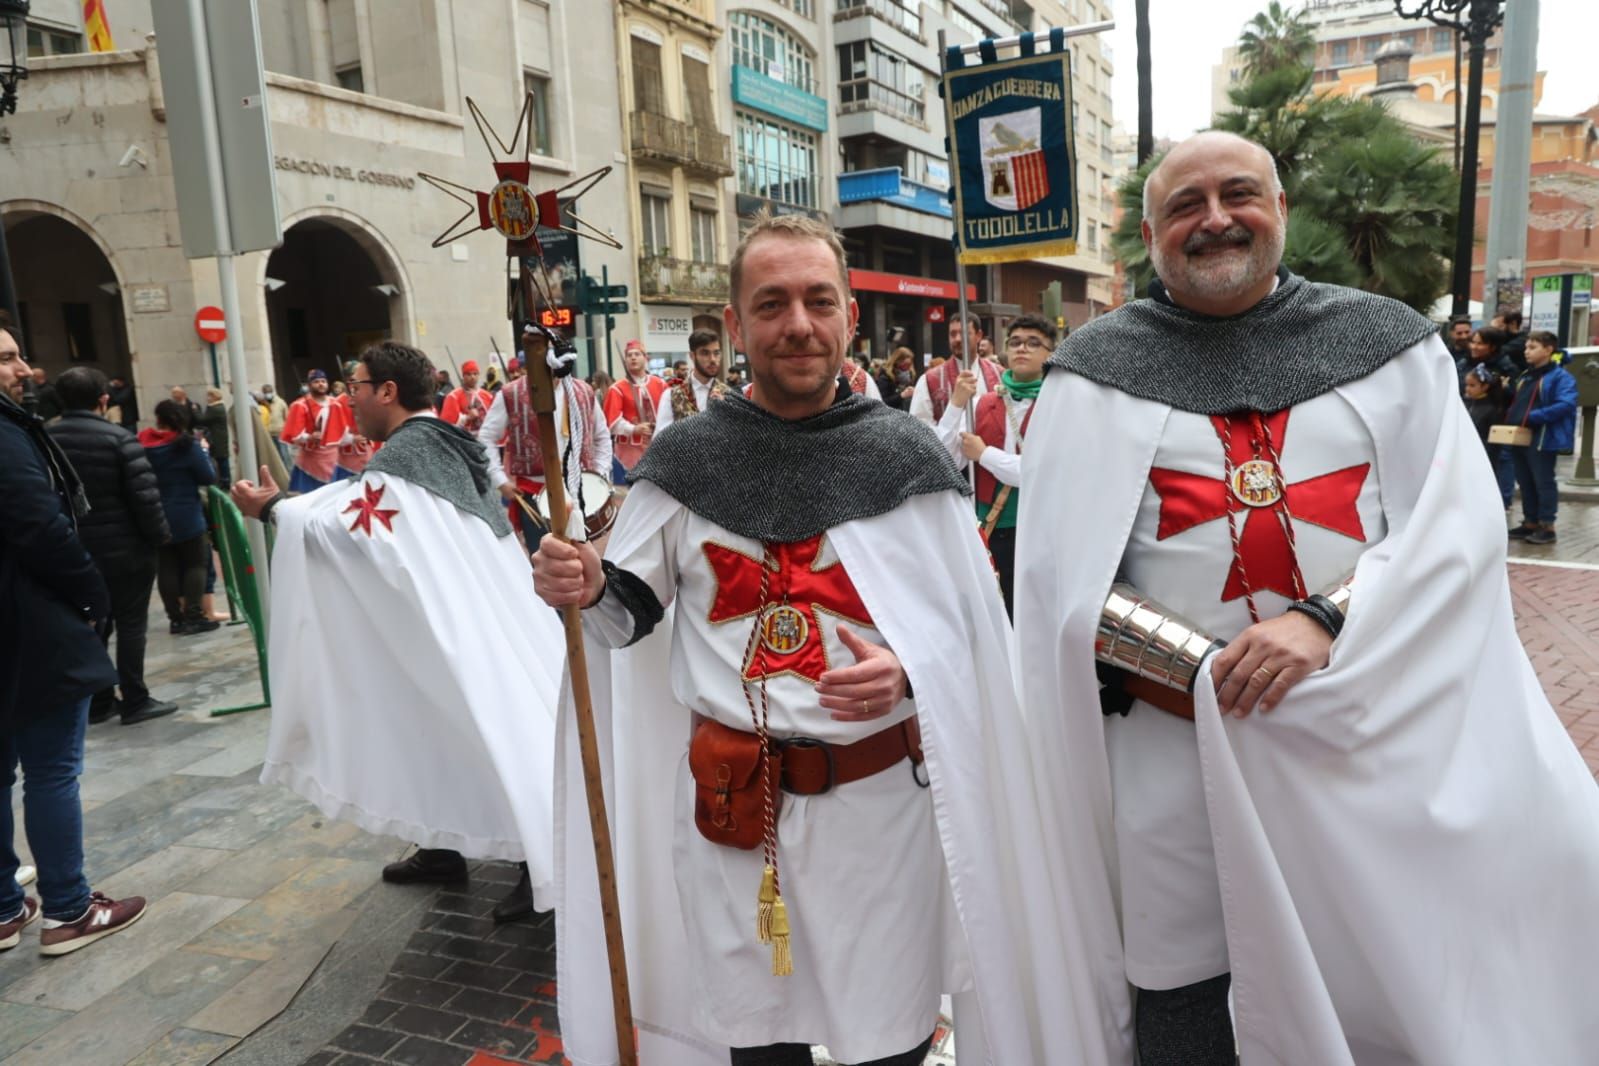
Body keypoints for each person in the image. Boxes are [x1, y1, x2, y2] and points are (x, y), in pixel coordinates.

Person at [1016, 130, 1599, 1064]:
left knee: (1375, 971)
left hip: (1362, 746)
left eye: (1238, 194)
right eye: (1184, 206)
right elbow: (1056, 584)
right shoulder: (1092, 375)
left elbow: (1455, 528)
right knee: (1190, 993)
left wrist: (1325, 619)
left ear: (1279, 209)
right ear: (1148, 231)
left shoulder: (1387, 346)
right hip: (1174, 757)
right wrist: (1205, 673)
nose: (1214, 220)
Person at [535, 211, 1095, 1065]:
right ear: (735, 326)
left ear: (848, 318)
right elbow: (625, 618)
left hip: (879, 821)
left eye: (817, 301)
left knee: (888, 1042)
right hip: (733, 816)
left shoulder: (905, 459)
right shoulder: (684, 462)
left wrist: (908, 674)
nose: (797, 324)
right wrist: (584, 586)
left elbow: (974, 640)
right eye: (771, 304)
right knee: (758, 1046)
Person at [231, 340, 563, 926]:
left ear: (387, 391)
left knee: (494, 727)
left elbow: (358, 531)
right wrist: (288, 503)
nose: (348, 397)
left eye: (356, 385)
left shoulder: (408, 455)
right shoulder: (442, 441)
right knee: (432, 728)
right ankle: (443, 844)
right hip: (465, 611)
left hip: (462, 624)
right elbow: (358, 506)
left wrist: (273, 511)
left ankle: (540, 864)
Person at [0, 317, 148, 955]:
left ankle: (6, 907)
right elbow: (40, 526)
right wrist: (91, 593)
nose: (22, 369)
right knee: (52, 770)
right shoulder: (5, 435)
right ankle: (69, 909)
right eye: (5, 357)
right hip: (29, 622)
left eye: (17, 355)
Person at [47, 367, 177, 726]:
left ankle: (100, 699)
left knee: (94, 624)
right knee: (131, 623)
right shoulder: (119, 438)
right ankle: (135, 698)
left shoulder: (44, 439)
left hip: (74, 551)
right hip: (126, 550)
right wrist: (161, 537)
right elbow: (145, 498)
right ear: (104, 399)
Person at [937, 314, 1055, 616]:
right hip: (987, 529)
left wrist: (984, 454)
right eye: (1015, 342)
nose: (1022, 349)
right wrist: (956, 404)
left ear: (1050, 353)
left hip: (1039, 531)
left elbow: (1037, 472)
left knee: (1029, 617)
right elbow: (945, 459)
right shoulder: (984, 402)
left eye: (1033, 343)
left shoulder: (1060, 404)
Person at [478, 326, 613, 546]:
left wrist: (598, 473)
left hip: (580, 489)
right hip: (533, 492)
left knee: (581, 563)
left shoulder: (584, 392)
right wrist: (499, 479)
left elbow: (602, 436)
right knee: (545, 565)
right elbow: (486, 438)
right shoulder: (511, 393)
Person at [141, 400, 220, 636]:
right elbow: (207, 476)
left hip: (155, 513)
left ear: (158, 418)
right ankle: (193, 615)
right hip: (187, 514)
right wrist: (204, 452)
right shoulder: (187, 445)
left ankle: (175, 619)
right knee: (196, 564)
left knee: (166, 567)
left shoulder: (141, 443)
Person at [1506, 330, 1579, 545]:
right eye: (1526, 347)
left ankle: (1547, 525)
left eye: (1532, 347)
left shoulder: (1561, 377)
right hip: (1522, 434)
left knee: (1543, 481)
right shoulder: (1526, 375)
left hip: (1543, 436)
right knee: (1525, 481)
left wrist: (1533, 416)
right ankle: (1530, 521)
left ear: (1548, 350)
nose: (1526, 352)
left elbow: (1566, 404)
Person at [1459, 327, 1518, 506]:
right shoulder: (1463, 363)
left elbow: (1513, 393)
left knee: (1500, 461)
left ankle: (1501, 502)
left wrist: (1503, 388)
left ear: (1492, 346)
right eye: (1473, 342)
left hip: (1496, 422)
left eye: (1480, 343)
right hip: (1470, 414)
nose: (1474, 347)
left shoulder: (1505, 366)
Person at [908, 315, 1000, 425]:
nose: (957, 339)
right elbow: (919, 428)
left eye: (964, 333)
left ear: (978, 335)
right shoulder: (928, 380)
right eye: (953, 334)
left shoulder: (999, 374)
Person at [280, 369, 353, 492]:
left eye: (323, 381)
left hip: (333, 460)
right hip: (311, 461)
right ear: (309, 385)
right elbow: (295, 436)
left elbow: (342, 435)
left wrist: (354, 439)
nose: (321, 384)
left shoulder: (336, 404)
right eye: (316, 381)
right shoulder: (300, 405)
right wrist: (309, 437)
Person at [602, 339, 667, 474]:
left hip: (658, 446)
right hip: (629, 451)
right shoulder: (617, 389)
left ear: (646, 358)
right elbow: (612, 422)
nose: (633, 358)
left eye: (637, 354)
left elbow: (669, 412)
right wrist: (633, 429)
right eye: (629, 355)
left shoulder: (660, 384)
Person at [658, 328, 729, 428]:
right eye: (705, 353)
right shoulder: (671, 396)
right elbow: (661, 438)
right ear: (692, 356)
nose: (713, 359)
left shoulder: (729, 394)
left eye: (716, 353)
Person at [440, 360, 494, 434]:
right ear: (463, 376)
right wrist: (467, 417)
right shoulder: (453, 397)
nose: (472, 377)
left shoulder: (488, 396)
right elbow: (446, 426)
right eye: (468, 374)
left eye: (475, 374)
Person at [1461, 364, 1504, 453]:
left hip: (1480, 452)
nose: (1467, 389)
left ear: (1485, 387)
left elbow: (1493, 442)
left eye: (1472, 385)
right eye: (1466, 385)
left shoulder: (1491, 409)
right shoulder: (1464, 404)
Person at [197, 387, 232, 487]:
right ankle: (224, 479)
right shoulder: (216, 407)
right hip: (218, 437)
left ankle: (225, 480)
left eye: (209, 396)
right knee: (221, 459)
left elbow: (202, 419)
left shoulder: (215, 409)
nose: (207, 398)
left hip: (218, 438)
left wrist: (196, 411)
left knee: (222, 459)